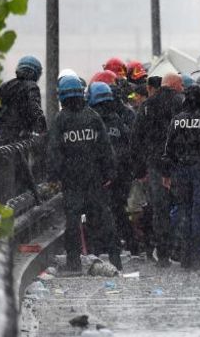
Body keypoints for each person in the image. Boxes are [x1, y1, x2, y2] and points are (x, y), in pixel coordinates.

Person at [47, 76, 122, 272]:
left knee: (72, 222)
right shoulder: (93, 117)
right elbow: (105, 148)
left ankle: (74, 261)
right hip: (94, 178)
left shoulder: (60, 120)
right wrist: (109, 172)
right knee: (104, 218)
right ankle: (114, 258)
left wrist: (53, 176)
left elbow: (54, 151)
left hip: (71, 180)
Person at [161, 85, 200, 270]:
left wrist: (166, 173)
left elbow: (169, 149)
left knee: (184, 212)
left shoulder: (177, 120)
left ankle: (184, 255)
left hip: (181, 170)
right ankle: (196, 256)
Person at [131, 73, 184, 267]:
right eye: (181, 85)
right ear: (174, 85)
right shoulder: (182, 103)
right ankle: (182, 251)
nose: (183, 88)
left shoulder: (147, 106)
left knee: (159, 210)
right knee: (183, 207)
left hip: (155, 166)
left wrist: (139, 170)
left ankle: (162, 254)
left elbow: (136, 139)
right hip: (180, 164)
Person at [87, 82, 135, 254]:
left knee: (102, 211)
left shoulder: (92, 119)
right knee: (116, 210)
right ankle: (123, 244)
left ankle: (103, 247)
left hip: (103, 174)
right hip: (117, 173)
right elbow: (128, 145)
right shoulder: (116, 118)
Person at [0, 56, 46, 146]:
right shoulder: (32, 87)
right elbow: (35, 110)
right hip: (18, 139)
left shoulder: (5, 86)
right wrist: (44, 132)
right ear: (36, 73)